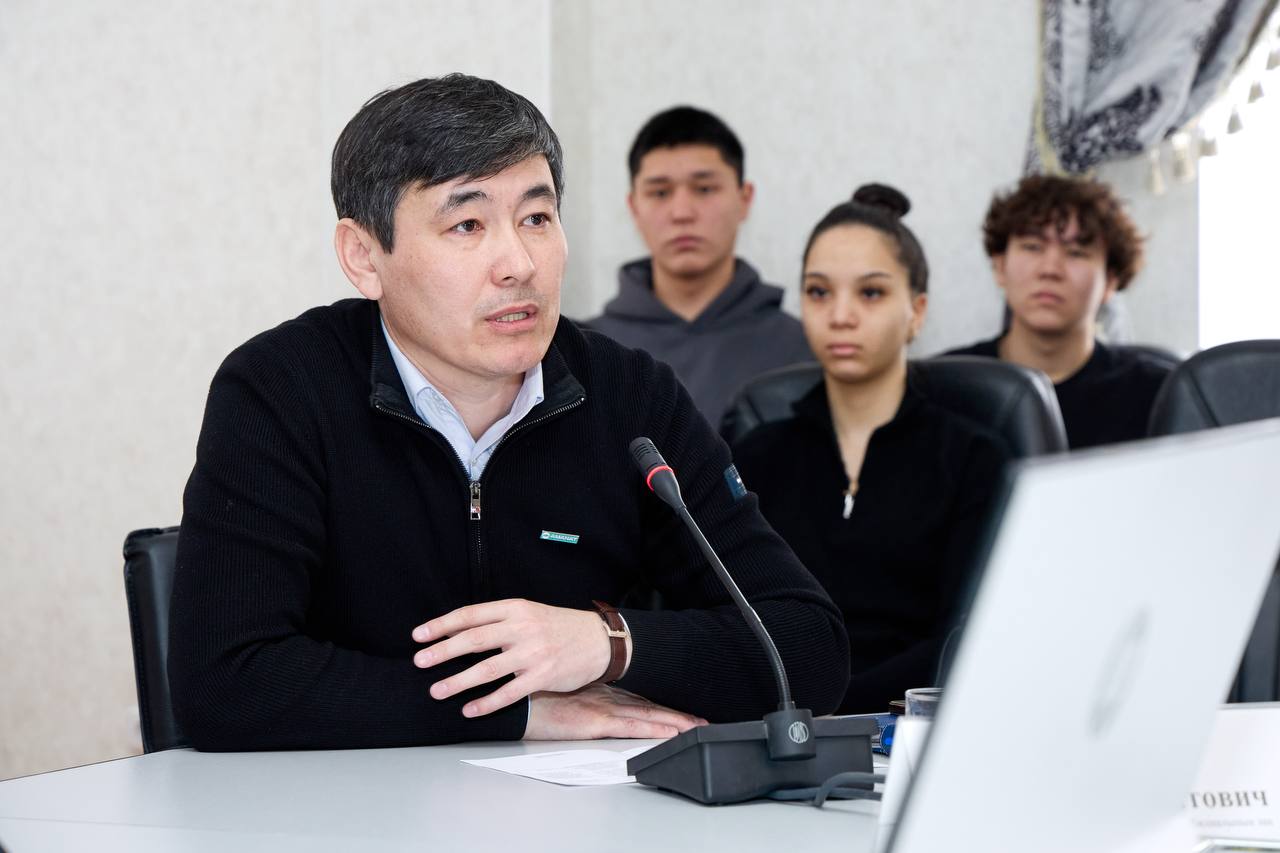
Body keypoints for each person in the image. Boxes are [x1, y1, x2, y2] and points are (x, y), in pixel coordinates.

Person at [167, 74, 849, 752]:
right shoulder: (282, 390)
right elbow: (224, 682)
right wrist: (514, 712)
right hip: (339, 802)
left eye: (536, 219)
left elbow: (809, 649)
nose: (518, 264)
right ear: (364, 257)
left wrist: (607, 644)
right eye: (467, 224)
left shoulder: (630, 396)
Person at [732, 185, 1012, 714]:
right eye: (819, 292)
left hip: (917, 729)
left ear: (917, 311)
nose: (841, 315)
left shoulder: (973, 459)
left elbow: (966, 640)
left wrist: (834, 708)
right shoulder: (755, 456)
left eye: (871, 293)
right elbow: (731, 623)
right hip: (777, 730)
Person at [586, 106, 811, 428]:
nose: (682, 212)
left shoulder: (801, 348)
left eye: (704, 189)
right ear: (634, 207)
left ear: (744, 199)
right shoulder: (586, 350)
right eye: (660, 192)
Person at [947, 175, 1174, 449]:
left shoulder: (1158, 395)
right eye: (1032, 247)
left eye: (1076, 252)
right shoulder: (946, 388)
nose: (1050, 269)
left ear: (1110, 281)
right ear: (999, 267)